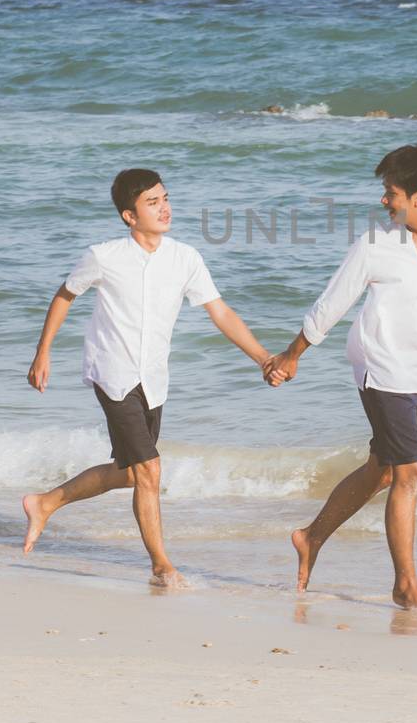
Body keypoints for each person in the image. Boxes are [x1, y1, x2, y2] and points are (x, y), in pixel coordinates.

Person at [21, 168, 275, 587]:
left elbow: (220, 312)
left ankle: (46, 502)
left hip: (154, 379)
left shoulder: (185, 258)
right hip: (112, 372)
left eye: (165, 198)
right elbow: (65, 295)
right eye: (152, 202)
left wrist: (263, 357)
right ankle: (162, 566)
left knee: (130, 472)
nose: (164, 208)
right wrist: (42, 352)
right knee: (150, 470)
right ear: (129, 215)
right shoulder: (104, 256)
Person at [266, 144, 417, 612]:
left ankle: (310, 537)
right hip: (378, 365)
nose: (384, 202)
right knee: (411, 473)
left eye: (390, 193)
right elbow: (332, 302)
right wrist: (292, 355)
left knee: (384, 471)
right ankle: (405, 585)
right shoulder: (374, 244)